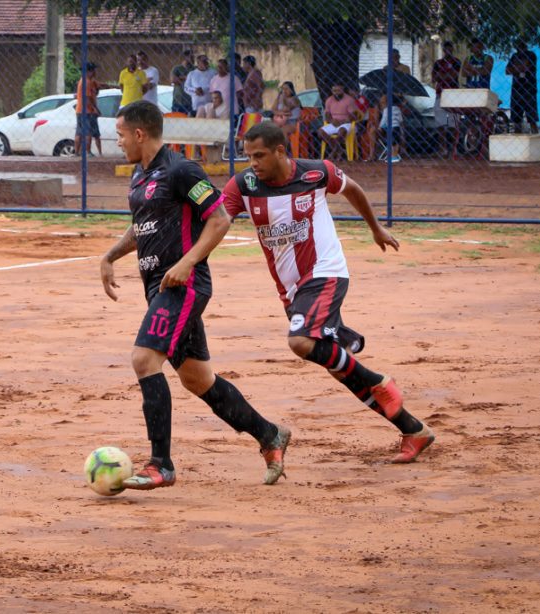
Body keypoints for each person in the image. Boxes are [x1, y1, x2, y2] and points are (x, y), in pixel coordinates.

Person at [99, 100, 291, 490]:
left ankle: (160, 465)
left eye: (120, 134)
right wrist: (111, 255)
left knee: (143, 359)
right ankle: (270, 435)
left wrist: (187, 262)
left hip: (183, 286)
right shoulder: (140, 176)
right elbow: (144, 227)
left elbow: (219, 218)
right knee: (197, 379)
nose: (117, 142)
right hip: (158, 287)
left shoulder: (181, 170)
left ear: (139, 133)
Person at [222, 121, 435, 468]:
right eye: (248, 156)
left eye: (259, 155)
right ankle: (413, 429)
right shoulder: (243, 185)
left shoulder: (316, 172)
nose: (253, 163)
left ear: (280, 150)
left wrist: (375, 227)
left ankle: (380, 383)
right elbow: (217, 220)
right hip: (292, 292)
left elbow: (352, 189)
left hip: (325, 272)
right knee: (338, 367)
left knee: (301, 343)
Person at [432, 41, 462, 157]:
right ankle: (442, 148)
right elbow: (434, 78)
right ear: (444, 50)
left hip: (453, 93)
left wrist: (442, 76)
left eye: (450, 49)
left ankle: (454, 148)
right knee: (440, 123)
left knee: (454, 123)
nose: (448, 51)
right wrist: (444, 76)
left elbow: (454, 75)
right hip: (440, 93)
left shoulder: (456, 61)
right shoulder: (438, 63)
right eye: (446, 49)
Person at [317, 81, 361, 160]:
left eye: (338, 91)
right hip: (333, 123)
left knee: (341, 131)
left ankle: (334, 151)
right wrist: (331, 121)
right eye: (334, 91)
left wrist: (343, 121)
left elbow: (353, 115)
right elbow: (327, 114)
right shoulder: (329, 100)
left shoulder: (349, 100)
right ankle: (338, 149)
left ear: (343, 90)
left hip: (347, 123)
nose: (336, 93)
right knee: (320, 132)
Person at [506, 40, 539, 134]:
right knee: (516, 120)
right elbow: (507, 70)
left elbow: (526, 67)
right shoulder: (514, 56)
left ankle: (535, 137)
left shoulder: (531, 55)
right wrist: (518, 68)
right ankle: (518, 140)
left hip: (529, 89)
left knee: (532, 119)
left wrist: (515, 68)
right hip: (516, 89)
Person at [74, 62, 102, 157]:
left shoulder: (84, 81)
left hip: (80, 110)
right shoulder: (87, 82)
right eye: (93, 70)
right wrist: (96, 108)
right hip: (86, 110)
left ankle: (77, 152)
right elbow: (88, 98)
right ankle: (87, 151)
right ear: (89, 71)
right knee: (88, 132)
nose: (95, 72)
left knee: (79, 132)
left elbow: (99, 85)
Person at [170, 49, 196, 115]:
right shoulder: (177, 68)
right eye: (191, 57)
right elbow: (173, 80)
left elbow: (194, 80)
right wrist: (186, 78)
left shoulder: (194, 69)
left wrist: (181, 77)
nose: (193, 58)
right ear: (185, 57)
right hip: (178, 101)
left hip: (190, 102)